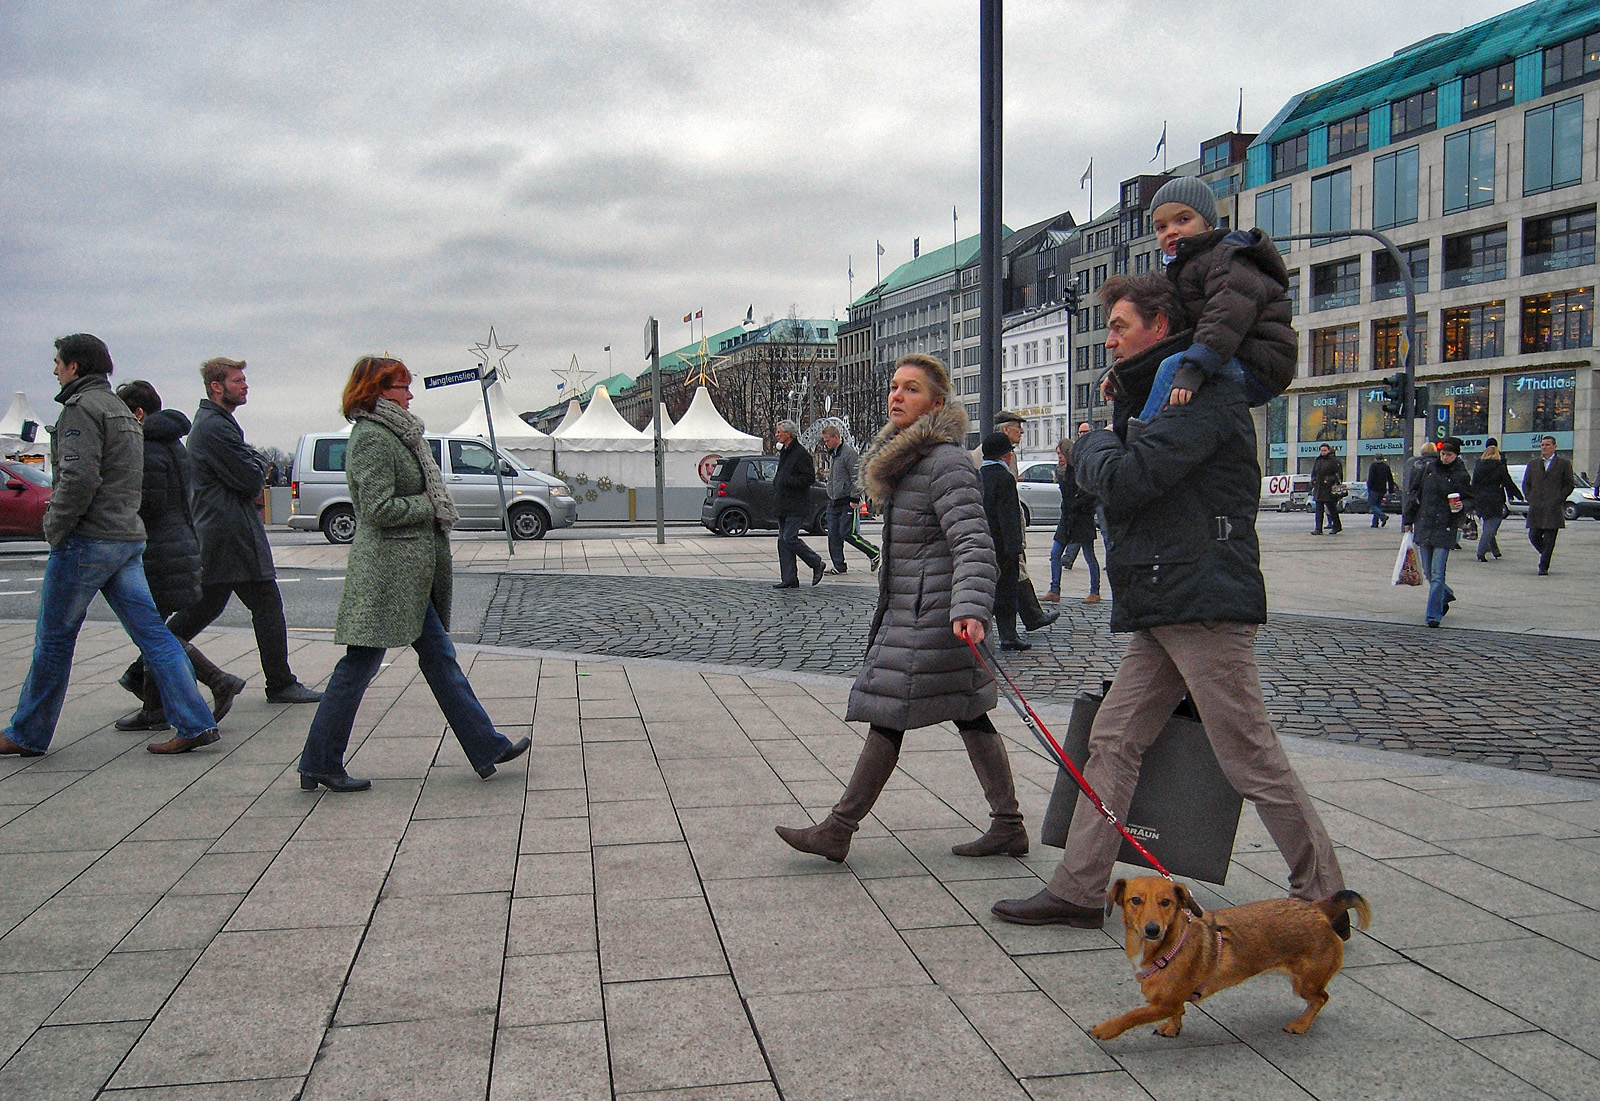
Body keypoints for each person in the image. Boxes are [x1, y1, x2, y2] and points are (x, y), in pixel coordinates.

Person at [991, 275, 1347, 930]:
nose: (1112, 337)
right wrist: (1122, 414)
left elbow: (1130, 480)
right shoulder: (1157, 398)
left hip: (1201, 597)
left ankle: (1323, 893)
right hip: (1168, 596)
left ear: (1162, 324)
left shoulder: (1200, 393)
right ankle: (1079, 886)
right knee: (1115, 735)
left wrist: (1091, 439)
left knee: (1247, 751)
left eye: (1122, 324)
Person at [775, 353, 1025, 861]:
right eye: (894, 387)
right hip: (919, 611)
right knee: (970, 713)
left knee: (891, 714)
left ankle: (839, 828)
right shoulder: (913, 461)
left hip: (934, 618)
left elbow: (974, 543)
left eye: (911, 389)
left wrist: (972, 608)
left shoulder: (945, 463)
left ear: (936, 403)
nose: (896, 396)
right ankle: (1008, 824)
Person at [297, 357, 531, 792]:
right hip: (387, 574)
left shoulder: (398, 434)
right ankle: (319, 761)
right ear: (377, 390)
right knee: (361, 665)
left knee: (437, 658)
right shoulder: (372, 438)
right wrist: (427, 503)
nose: (410, 395)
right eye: (403, 387)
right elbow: (376, 509)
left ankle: (486, 746)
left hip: (407, 574)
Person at [2, 335, 220, 758]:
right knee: (154, 635)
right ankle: (194, 722)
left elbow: (78, 479)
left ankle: (27, 733)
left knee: (53, 641)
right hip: (126, 538)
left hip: (87, 540)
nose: (54, 370)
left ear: (75, 367)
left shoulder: (81, 410)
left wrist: (54, 526)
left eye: (58, 363)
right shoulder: (121, 410)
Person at [165, 358, 322, 703]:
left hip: (222, 531)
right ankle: (280, 683)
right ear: (216, 387)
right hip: (231, 533)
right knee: (266, 605)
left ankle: (140, 671)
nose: (245, 385)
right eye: (238, 381)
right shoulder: (215, 427)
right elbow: (252, 478)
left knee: (203, 608)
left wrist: (251, 460)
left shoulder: (215, 424)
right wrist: (256, 462)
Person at [112, 380, 247, 731]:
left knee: (153, 631)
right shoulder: (173, 445)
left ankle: (218, 680)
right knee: (152, 628)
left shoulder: (147, 449)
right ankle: (154, 708)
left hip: (158, 550)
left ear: (138, 413)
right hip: (179, 545)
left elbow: (150, 505)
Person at [1131, 176, 1295, 433]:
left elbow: (1225, 317)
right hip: (1234, 357)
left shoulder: (1228, 258)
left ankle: (1139, 440)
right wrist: (1122, 379)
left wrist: (1193, 370)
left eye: (1183, 220)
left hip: (1260, 364)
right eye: (1161, 227)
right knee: (1171, 371)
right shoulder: (1187, 269)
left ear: (1208, 224)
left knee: (1172, 368)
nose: (1171, 231)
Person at [1402, 436, 1473, 628]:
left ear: (1456, 455)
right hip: (1424, 524)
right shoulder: (1428, 469)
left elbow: (1470, 499)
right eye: (1443, 453)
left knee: (1437, 573)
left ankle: (1433, 615)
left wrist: (1461, 505)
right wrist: (1407, 520)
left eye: (1449, 454)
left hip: (1445, 526)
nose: (1445, 457)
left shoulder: (1461, 475)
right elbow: (1414, 494)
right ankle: (1445, 594)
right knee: (1428, 572)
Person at [980, 431, 1029, 651]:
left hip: (981, 542)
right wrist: (1014, 546)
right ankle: (1008, 635)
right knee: (1007, 591)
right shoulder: (1004, 478)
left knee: (984, 589)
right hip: (1002, 545)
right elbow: (1008, 516)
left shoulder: (978, 475)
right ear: (1006, 455)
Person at [820, 422, 880, 575]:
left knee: (848, 533)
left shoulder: (848, 454)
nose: (826, 444)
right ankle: (839, 565)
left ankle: (873, 552)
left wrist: (854, 497)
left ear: (836, 437)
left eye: (827, 441)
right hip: (834, 500)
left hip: (847, 500)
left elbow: (857, 476)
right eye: (824, 441)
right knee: (833, 534)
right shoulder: (834, 455)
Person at [772, 419, 825, 589]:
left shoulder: (801, 454)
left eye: (779, 432)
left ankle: (816, 562)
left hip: (796, 504)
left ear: (789, 434)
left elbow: (809, 478)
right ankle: (789, 578)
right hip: (783, 503)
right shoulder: (784, 452)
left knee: (789, 538)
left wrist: (788, 481)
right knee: (782, 540)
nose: (777, 435)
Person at [1047, 438, 1101, 605]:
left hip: (1081, 518)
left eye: (1061, 454)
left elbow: (1090, 495)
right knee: (1055, 553)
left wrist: (1077, 505)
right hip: (1067, 519)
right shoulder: (1061, 471)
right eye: (1057, 454)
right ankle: (1054, 589)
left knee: (1089, 555)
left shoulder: (1080, 469)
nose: (1059, 457)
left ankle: (1095, 591)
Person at [1522, 435, 1577, 576]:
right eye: (1542, 445)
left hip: (1553, 507)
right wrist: (1530, 497)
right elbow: (1526, 484)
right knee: (1533, 535)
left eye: (1547, 445)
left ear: (1554, 447)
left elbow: (1569, 484)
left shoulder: (1563, 464)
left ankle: (1543, 565)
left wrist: (1560, 497)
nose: (1544, 447)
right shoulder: (1533, 464)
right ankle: (1545, 554)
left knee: (1550, 538)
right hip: (1537, 506)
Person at [1470, 439, 1522, 561]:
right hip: (1494, 498)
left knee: (1488, 524)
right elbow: (1508, 482)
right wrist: (1518, 495)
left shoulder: (1478, 466)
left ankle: (1495, 550)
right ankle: (1481, 551)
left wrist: (1473, 499)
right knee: (1492, 524)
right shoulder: (1499, 467)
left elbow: (1474, 484)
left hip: (1480, 500)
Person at [1310, 443, 1344, 535]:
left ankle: (1337, 526)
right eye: (1321, 450)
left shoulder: (1334, 461)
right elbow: (1314, 472)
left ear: (1329, 450)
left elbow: (1338, 474)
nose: (1323, 452)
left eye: (1325, 450)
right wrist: (1313, 480)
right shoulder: (1318, 460)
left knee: (1332, 508)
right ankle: (1318, 529)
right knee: (1319, 510)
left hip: (1329, 489)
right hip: (1319, 488)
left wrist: (1329, 480)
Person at [1365, 457, 1395, 528]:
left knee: (1372, 505)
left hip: (1374, 489)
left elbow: (1371, 478)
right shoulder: (1386, 466)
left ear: (1375, 458)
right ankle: (1375, 523)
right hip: (1382, 489)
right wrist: (1391, 490)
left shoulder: (1373, 466)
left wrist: (1369, 487)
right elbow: (1390, 479)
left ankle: (1382, 516)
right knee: (1377, 505)